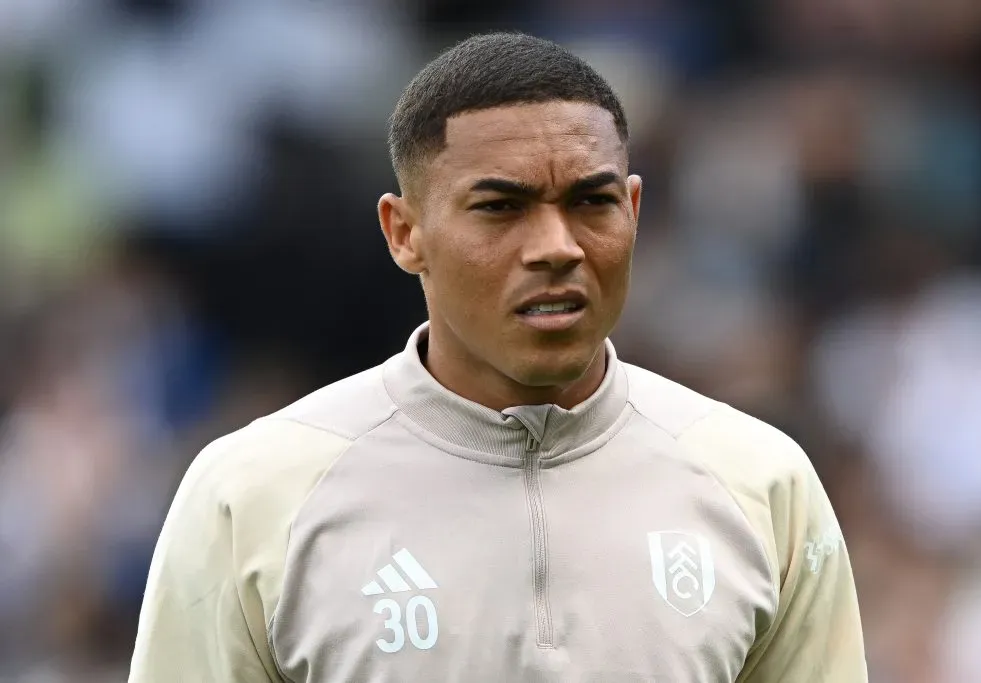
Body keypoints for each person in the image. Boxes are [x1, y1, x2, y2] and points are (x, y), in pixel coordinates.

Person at [128, 32, 868, 682]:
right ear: (404, 231)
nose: (557, 246)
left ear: (634, 212)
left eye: (591, 201)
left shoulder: (763, 485)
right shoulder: (252, 494)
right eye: (500, 207)